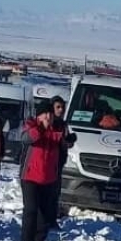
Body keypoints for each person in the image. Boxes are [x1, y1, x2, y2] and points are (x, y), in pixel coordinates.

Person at [19, 101, 73, 241]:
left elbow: (63, 142)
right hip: (29, 175)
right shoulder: (31, 124)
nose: (48, 116)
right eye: (45, 114)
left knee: (44, 211)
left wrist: (69, 141)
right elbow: (26, 138)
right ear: (39, 115)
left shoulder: (58, 128)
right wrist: (42, 127)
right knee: (31, 209)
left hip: (49, 176)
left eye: (50, 113)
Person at [50, 95, 70, 224]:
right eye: (58, 107)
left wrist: (69, 141)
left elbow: (65, 142)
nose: (60, 110)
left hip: (59, 161)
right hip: (48, 162)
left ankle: (52, 217)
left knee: (56, 191)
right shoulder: (48, 123)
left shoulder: (63, 124)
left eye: (62, 107)